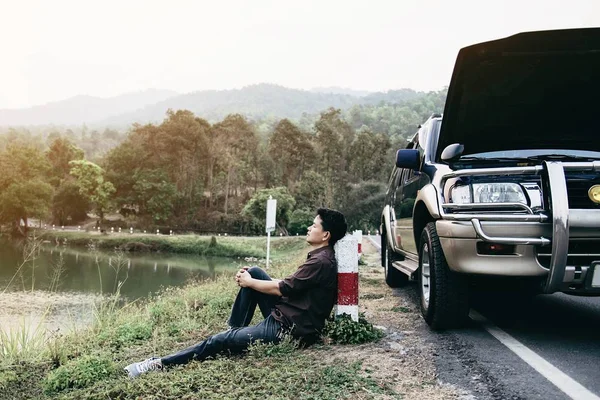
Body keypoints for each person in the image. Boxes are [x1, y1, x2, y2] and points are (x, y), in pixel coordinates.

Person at [124, 208, 347, 378]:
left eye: (314, 225)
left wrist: (249, 283)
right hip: (289, 315)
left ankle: (156, 363)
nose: (309, 227)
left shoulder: (320, 262)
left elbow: (282, 288)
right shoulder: (321, 257)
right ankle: (234, 331)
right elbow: (291, 285)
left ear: (326, 234)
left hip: (287, 329)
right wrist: (250, 278)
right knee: (255, 272)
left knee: (215, 341)